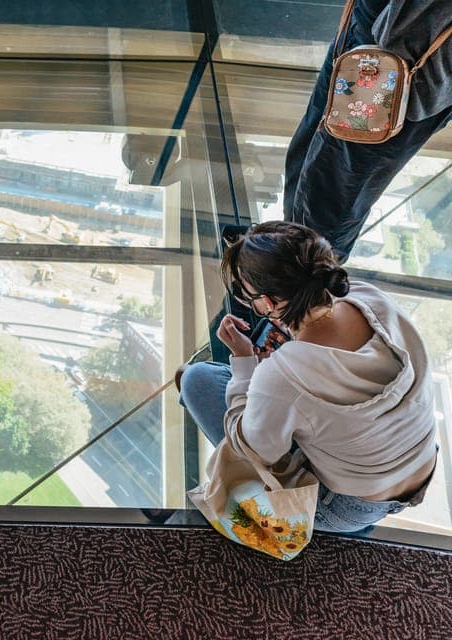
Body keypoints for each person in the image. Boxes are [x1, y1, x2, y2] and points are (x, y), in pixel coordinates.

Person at [178, 221, 437, 533]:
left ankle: (331, 530)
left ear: (268, 303)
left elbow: (255, 453)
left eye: (244, 293)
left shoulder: (283, 375)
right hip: (420, 467)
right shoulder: (371, 299)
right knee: (280, 405)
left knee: (195, 380)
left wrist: (245, 361)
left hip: (349, 507)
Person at [285, 0, 452, 261]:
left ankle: (290, 282)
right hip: (379, 39)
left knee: (324, 210)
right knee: (305, 167)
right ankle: (280, 269)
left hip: (406, 63)